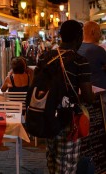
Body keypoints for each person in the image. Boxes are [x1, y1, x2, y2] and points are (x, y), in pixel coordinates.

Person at [40, 20, 93, 173]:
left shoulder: (45, 57)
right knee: (66, 165)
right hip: (68, 122)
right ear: (78, 38)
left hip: (48, 117)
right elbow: (88, 97)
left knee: (52, 158)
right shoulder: (80, 61)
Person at [77, 21, 106, 89]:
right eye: (99, 31)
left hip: (83, 89)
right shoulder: (97, 49)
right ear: (93, 32)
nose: (100, 34)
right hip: (99, 91)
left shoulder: (78, 48)